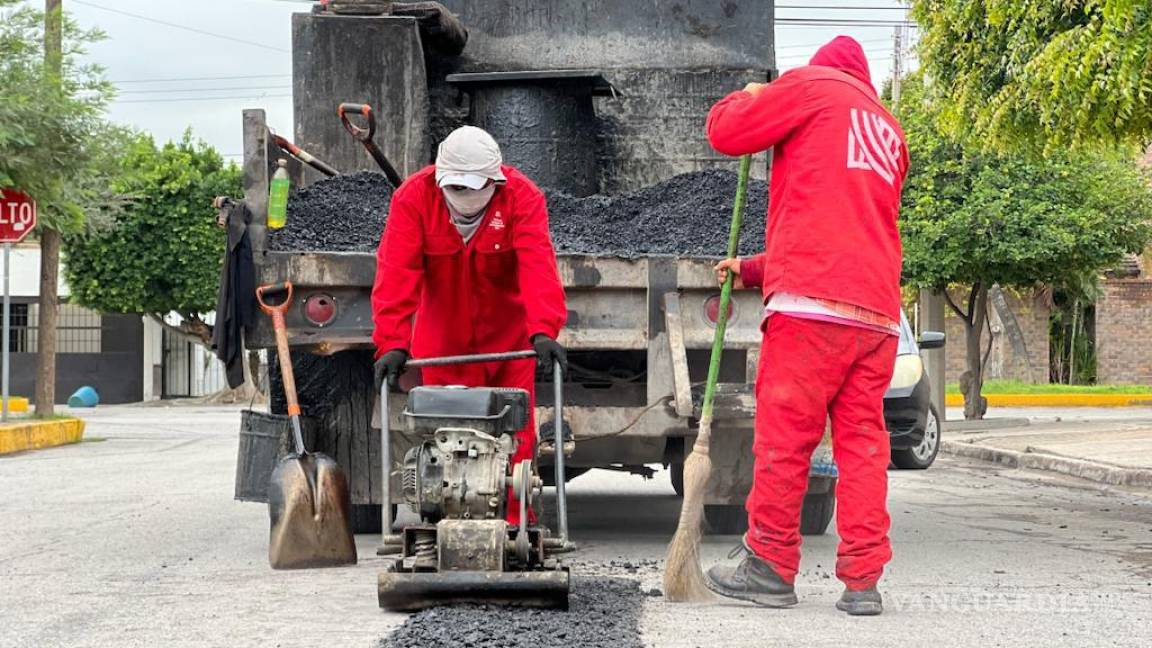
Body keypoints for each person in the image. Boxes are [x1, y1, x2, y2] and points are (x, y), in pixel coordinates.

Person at [703, 36, 909, 616]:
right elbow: (845, 229)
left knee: (785, 439)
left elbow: (727, 133)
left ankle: (768, 565)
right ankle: (863, 582)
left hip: (810, 314)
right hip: (874, 315)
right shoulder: (888, 130)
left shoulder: (811, 87)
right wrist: (752, 269)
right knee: (864, 446)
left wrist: (746, 96)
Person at [370, 125, 568, 527]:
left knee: (515, 432)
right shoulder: (413, 199)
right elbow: (396, 273)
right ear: (441, 181)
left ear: (495, 181)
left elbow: (537, 265)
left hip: (509, 340)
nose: (464, 198)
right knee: (446, 432)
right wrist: (392, 342)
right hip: (443, 342)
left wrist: (543, 330)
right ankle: (450, 518)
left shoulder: (522, 198)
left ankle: (515, 522)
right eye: (455, 189)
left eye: (473, 189)